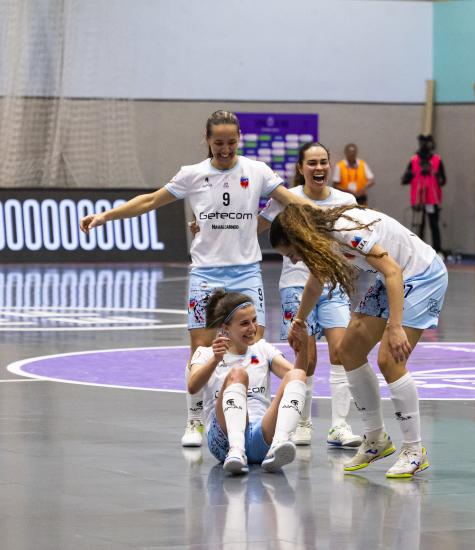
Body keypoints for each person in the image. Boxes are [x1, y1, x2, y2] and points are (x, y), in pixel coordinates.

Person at [79, 110, 312, 448]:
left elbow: (292, 200)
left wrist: (328, 216)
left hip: (246, 270)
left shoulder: (256, 171)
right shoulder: (193, 175)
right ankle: (194, 420)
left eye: (231, 142)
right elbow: (149, 201)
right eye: (218, 142)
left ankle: (255, 419)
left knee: (253, 346)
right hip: (207, 271)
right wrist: (105, 216)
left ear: (239, 139)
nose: (226, 149)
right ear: (207, 140)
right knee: (201, 349)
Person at [270, 203, 448, 478]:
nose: (293, 260)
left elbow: (392, 271)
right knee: (348, 352)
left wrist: (395, 325)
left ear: (299, 236)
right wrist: (300, 321)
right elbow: (316, 282)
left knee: (390, 360)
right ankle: (376, 438)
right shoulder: (322, 239)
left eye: (292, 253)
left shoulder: (345, 230)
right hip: (395, 276)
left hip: (422, 275)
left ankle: (415, 451)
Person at [258, 142, 362, 448]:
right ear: (301, 168)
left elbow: (356, 237)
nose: (319, 168)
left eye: (323, 162)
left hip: (333, 285)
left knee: (341, 351)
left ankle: (339, 427)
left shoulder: (346, 200)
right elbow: (254, 229)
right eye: (312, 163)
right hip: (295, 284)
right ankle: (302, 422)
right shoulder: (286, 199)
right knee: (308, 356)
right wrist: (213, 232)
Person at [188, 289, 308, 474]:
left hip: (262, 434)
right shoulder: (206, 353)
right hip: (224, 440)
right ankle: (236, 450)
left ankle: (279, 443)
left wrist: (302, 349)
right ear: (225, 327)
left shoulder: (262, 349)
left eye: (254, 320)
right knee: (238, 374)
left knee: (297, 375)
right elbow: (192, 386)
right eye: (244, 323)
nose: (252, 328)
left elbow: (296, 379)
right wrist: (214, 360)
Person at [402, 134, 446, 253]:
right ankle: (417, 250)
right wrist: (409, 175)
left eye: (427, 142)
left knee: (434, 225)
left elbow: (443, 181)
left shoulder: (437, 160)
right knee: (418, 225)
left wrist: (437, 176)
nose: (425, 145)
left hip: (432, 199)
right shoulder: (414, 160)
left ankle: (437, 250)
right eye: (423, 142)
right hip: (418, 199)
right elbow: (404, 179)